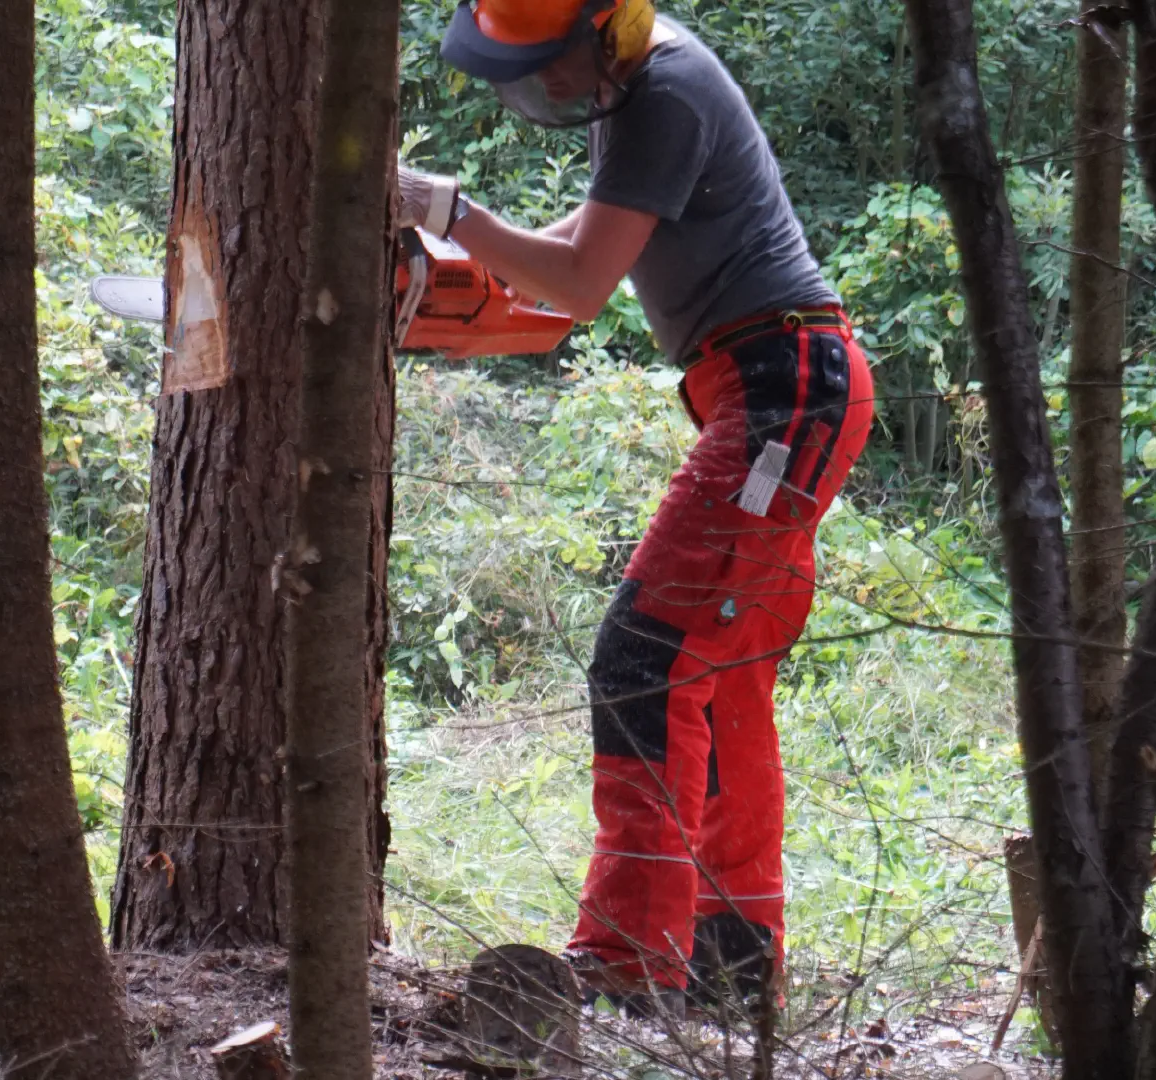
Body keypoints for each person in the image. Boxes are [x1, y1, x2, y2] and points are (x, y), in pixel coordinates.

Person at [399, 0, 875, 1020]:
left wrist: (438, 208)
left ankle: (628, 961)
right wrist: (453, 270)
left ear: (605, 30)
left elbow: (576, 285)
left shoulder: (666, 92)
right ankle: (730, 969)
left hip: (783, 390)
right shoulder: (631, 89)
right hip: (772, 383)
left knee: (644, 660)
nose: (547, 90)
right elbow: (578, 245)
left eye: (551, 67)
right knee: (715, 672)